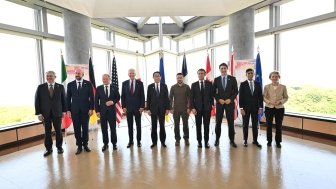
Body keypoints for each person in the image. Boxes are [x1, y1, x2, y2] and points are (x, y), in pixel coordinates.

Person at [35, 71, 66, 157]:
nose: (49, 77)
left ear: (55, 77)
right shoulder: (40, 87)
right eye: (47, 76)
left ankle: (59, 147)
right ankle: (48, 149)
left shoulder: (60, 87)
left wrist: (64, 111)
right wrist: (39, 113)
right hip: (45, 114)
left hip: (57, 113)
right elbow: (37, 101)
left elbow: (64, 100)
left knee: (58, 131)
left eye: (51, 76)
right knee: (47, 132)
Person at [66, 68, 94, 155]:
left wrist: (91, 108)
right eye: (76, 73)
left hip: (86, 111)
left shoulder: (88, 84)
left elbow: (92, 97)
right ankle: (79, 146)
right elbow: (68, 99)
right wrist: (68, 110)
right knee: (77, 129)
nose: (77, 74)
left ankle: (85, 144)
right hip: (74, 111)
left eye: (79, 73)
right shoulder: (70, 84)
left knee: (85, 128)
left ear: (83, 74)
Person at [213, 63, 238, 147]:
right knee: (218, 122)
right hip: (220, 104)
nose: (223, 70)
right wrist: (218, 99)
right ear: (219, 69)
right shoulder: (216, 79)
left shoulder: (232, 79)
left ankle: (232, 140)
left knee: (230, 123)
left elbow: (236, 91)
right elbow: (213, 92)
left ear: (227, 69)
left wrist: (230, 99)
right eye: (221, 68)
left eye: (224, 68)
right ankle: (217, 139)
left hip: (229, 104)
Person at [95, 74, 120, 151]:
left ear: (109, 79)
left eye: (106, 78)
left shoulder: (114, 88)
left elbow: (118, 97)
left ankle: (114, 143)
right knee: (104, 129)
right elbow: (96, 101)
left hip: (112, 111)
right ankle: (105, 144)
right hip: (102, 112)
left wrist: (113, 101)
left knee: (113, 128)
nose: (105, 80)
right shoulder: (99, 88)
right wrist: (97, 111)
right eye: (103, 79)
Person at [239, 68, 263, 148]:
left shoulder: (258, 84)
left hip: (255, 108)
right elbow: (241, 97)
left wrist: (260, 107)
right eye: (248, 73)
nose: (250, 74)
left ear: (253, 74)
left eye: (251, 73)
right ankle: (245, 140)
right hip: (245, 109)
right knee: (245, 125)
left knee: (255, 125)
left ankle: (255, 140)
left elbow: (260, 97)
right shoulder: (243, 84)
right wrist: (241, 108)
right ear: (246, 75)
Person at [263, 71, 288, 148]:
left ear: (279, 77)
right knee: (269, 125)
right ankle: (269, 141)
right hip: (269, 108)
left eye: (276, 76)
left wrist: (280, 102)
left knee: (279, 126)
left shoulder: (283, 87)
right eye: (273, 76)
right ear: (270, 78)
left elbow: (286, 97)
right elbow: (264, 97)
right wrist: (270, 102)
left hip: (279, 108)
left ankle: (278, 142)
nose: (274, 78)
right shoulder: (266, 87)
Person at [121, 68, 145, 148]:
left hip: (138, 109)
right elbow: (123, 96)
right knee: (130, 126)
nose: (131, 74)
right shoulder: (124, 83)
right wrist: (123, 107)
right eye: (130, 73)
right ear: (128, 74)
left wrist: (142, 107)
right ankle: (130, 141)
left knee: (138, 125)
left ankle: (139, 141)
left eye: (133, 73)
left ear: (135, 74)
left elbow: (142, 96)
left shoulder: (140, 83)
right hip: (128, 109)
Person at [190, 69, 214, 148]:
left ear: (204, 74)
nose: (200, 75)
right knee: (198, 125)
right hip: (197, 109)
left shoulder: (209, 84)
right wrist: (193, 108)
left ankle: (206, 142)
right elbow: (191, 98)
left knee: (206, 125)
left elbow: (211, 96)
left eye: (202, 73)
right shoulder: (194, 85)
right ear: (197, 74)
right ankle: (199, 142)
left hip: (207, 109)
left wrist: (212, 105)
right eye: (199, 73)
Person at [146, 71, 170, 148]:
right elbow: (148, 99)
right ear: (153, 77)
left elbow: (167, 98)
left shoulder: (164, 86)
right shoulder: (150, 86)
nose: (157, 77)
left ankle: (163, 141)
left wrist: (167, 108)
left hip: (162, 109)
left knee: (162, 126)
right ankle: (154, 142)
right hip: (153, 110)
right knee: (154, 126)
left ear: (160, 77)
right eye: (155, 76)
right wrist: (148, 109)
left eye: (158, 76)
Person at [169, 73, 191, 146]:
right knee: (176, 125)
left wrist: (188, 108)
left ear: (183, 78)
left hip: (185, 109)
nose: (179, 79)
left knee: (185, 125)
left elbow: (189, 98)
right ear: (176, 78)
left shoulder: (187, 87)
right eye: (178, 78)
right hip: (176, 110)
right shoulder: (173, 87)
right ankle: (177, 140)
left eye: (181, 77)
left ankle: (186, 139)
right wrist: (171, 108)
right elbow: (170, 98)